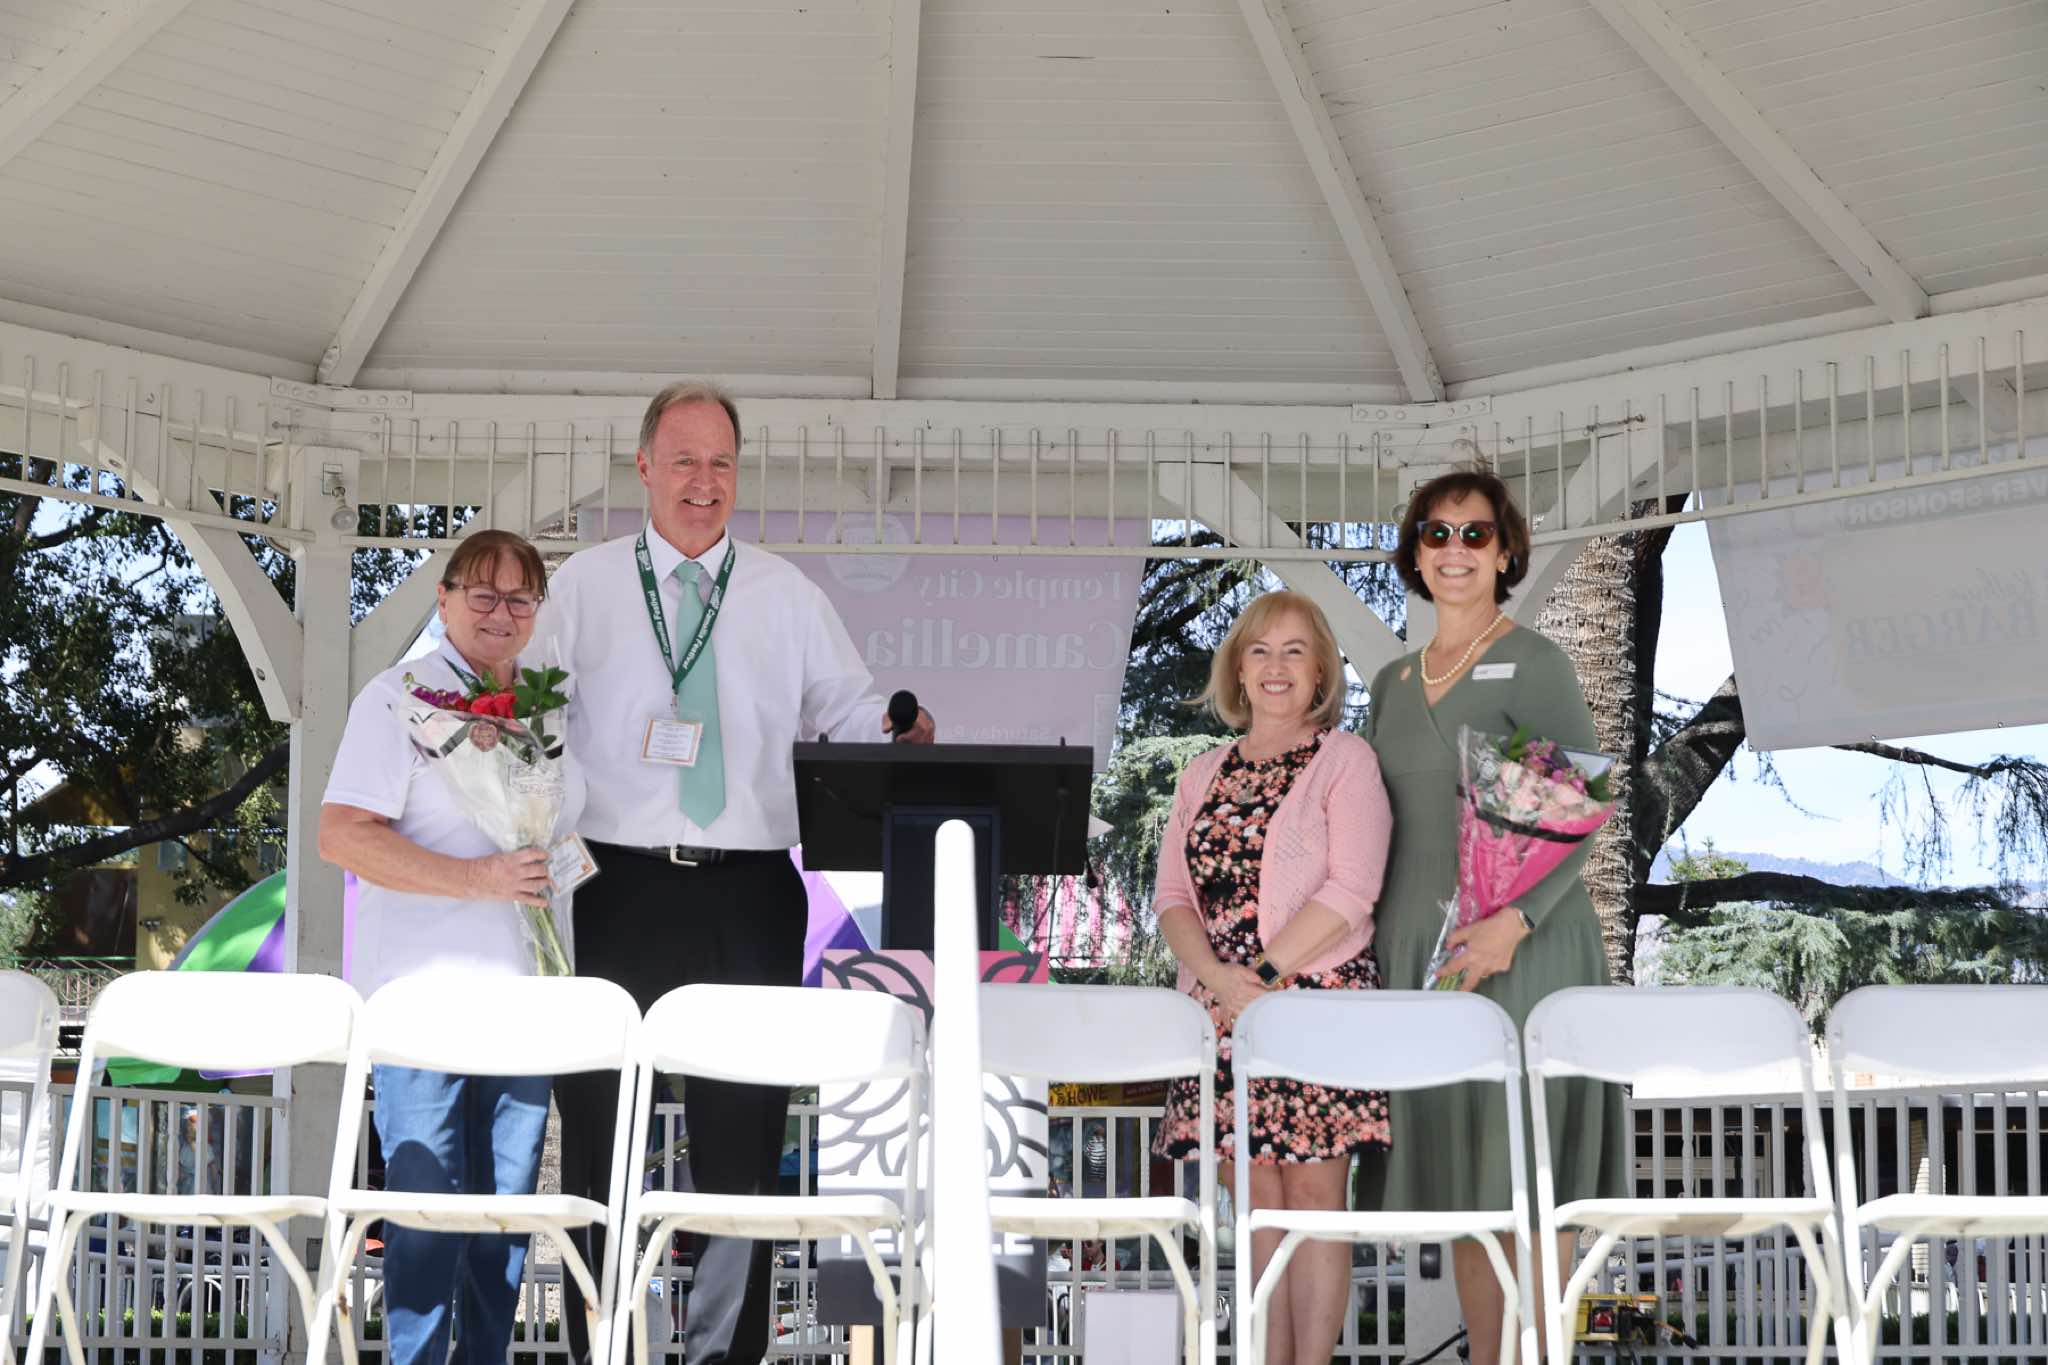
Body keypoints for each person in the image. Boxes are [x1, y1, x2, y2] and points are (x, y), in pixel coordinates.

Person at [531, 380, 933, 1365]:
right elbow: (533, 719)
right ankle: (603, 1345)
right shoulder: (582, 586)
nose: (702, 482)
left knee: (743, 1142)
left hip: (749, 889)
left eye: (720, 462)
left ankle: (726, 1354)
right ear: (643, 468)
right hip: (613, 886)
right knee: (601, 1134)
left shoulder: (786, 594)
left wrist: (898, 731)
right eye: (683, 461)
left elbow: (848, 712)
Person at [1353, 468, 1628, 1365]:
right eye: (1436, 533)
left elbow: (1581, 806)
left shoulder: (1536, 661)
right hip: (1419, 957)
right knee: (1468, 1192)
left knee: (1529, 1180)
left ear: (1507, 552)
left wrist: (1519, 921)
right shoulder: (1391, 682)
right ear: (1415, 553)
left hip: (1525, 947)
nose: (1455, 550)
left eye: (1476, 533)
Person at [319, 529, 580, 1365]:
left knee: (505, 1224)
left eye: (520, 597)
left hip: (523, 1004)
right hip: (421, 1005)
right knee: (426, 1213)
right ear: (444, 598)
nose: (501, 613)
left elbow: (563, 834)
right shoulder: (396, 699)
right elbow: (341, 835)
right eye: (483, 594)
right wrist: (480, 879)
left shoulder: (550, 706)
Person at [1149, 590, 1393, 1365]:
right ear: (1237, 670)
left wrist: (1254, 974)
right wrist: (1218, 981)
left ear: (1321, 670)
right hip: (1222, 1012)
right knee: (1255, 1206)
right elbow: (1172, 897)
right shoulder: (1201, 774)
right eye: (1259, 650)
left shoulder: (1345, 760)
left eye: (1294, 650)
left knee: (1316, 1202)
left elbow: (1352, 889)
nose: (1276, 665)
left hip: (1317, 1008)